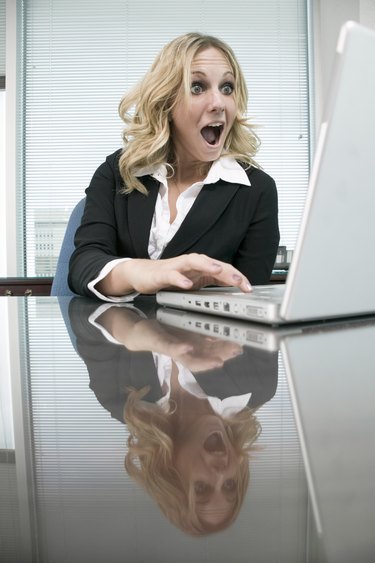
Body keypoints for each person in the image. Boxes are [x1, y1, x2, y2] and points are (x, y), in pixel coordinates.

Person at [68, 32, 280, 301]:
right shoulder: (118, 171)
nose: (218, 103)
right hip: (118, 338)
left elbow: (250, 294)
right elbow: (82, 266)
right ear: (166, 101)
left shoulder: (257, 190)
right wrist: (145, 272)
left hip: (203, 341)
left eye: (227, 88)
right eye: (197, 87)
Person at [67, 297, 278, 535]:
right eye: (230, 484)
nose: (221, 472)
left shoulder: (120, 401)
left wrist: (136, 333)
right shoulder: (258, 385)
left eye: (201, 487)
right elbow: (254, 302)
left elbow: (84, 318)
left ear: (169, 472)